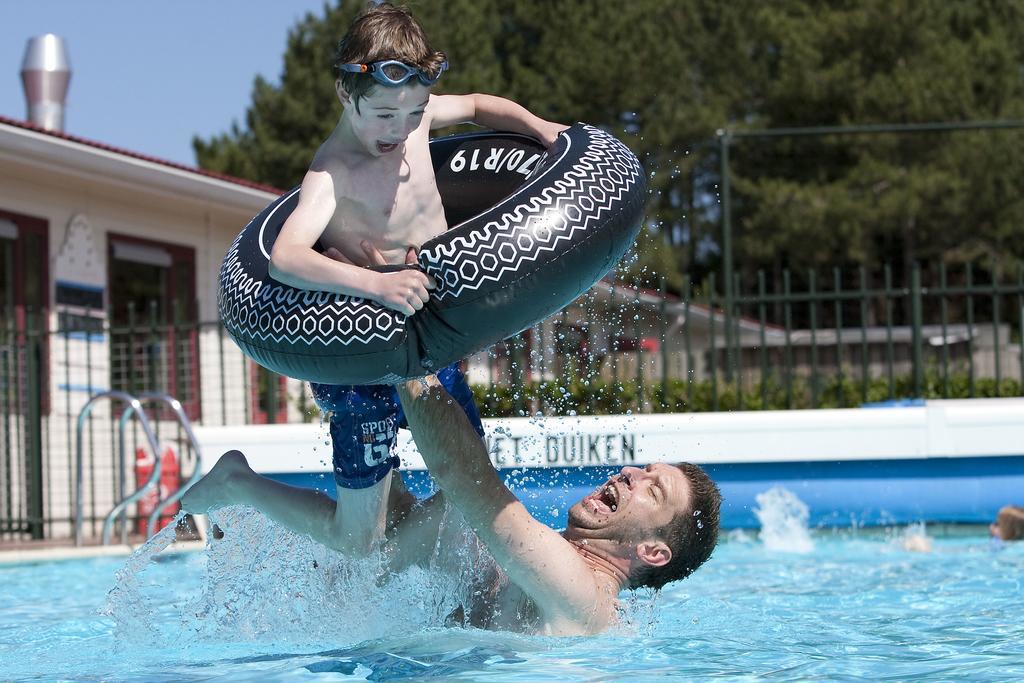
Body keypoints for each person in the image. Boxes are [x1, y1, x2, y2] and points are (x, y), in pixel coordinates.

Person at [264, 3, 567, 554]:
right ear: (344, 93)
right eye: (383, 115)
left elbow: (478, 106)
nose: (401, 130)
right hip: (360, 352)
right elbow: (285, 255)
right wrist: (375, 284)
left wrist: (540, 128)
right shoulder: (334, 172)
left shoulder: (415, 118)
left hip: (427, 341)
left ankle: (407, 584)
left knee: (471, 486)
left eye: (413, 113)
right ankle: (239, 482)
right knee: (358, 539)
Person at [181, 375, 722, 636]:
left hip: (386, 651)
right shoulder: (553, 569)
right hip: (392, 652)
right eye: (642, 469)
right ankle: (349, 401)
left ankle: (242, 485)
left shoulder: (585, 596)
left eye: (652, 490)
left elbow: (466, 476)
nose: (630, 474)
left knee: (458, 508)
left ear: (653, 552)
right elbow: (430, 514)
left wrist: (411, 361)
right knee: (442, 516)